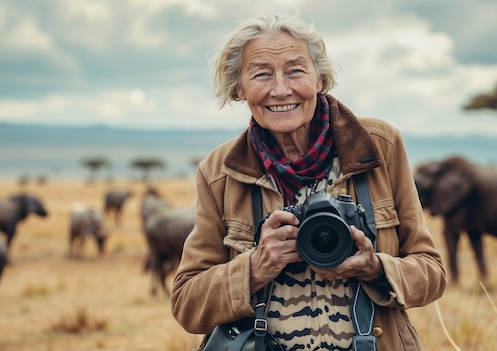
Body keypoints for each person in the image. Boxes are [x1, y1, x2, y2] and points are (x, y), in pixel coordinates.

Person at [171, 12, 446, 351]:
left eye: (295, 70)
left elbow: (432, 273)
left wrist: (374, 267)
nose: (280, 89)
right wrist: (254, 268)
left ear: (319, 78)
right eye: (261, 74)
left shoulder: (380, 146)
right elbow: (186, 303)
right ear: (239, 88)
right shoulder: (219, 173)